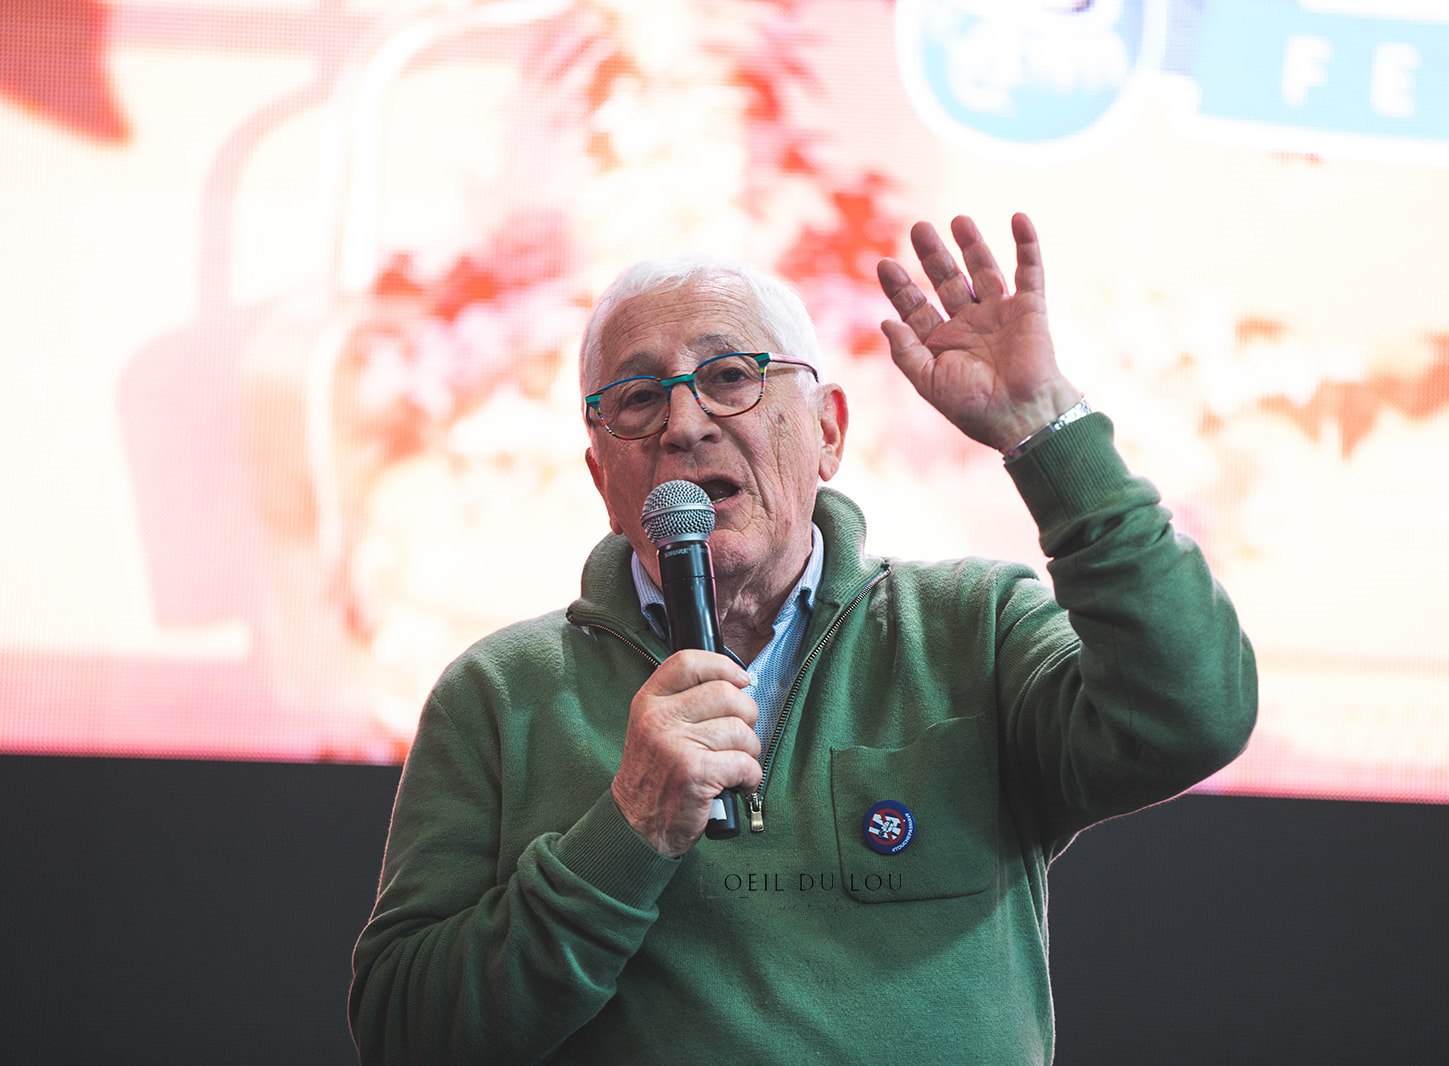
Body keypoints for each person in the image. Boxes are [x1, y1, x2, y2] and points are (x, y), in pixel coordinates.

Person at [349, 212, 1257, 1063]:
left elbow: (1191, 714)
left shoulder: (972, 630)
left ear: (827, 431)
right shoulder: (499, 696)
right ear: (602, 478)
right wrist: (626, 832)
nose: (684, 425)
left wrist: (1050, 435)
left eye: (730, 377)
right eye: (636, 398)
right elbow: (405, 1032)